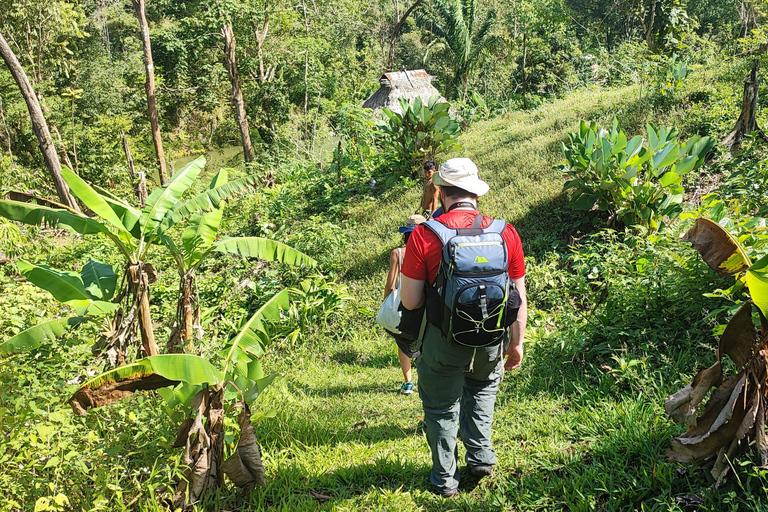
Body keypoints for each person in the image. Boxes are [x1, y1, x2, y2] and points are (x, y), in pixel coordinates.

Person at [399, 158, 527, 497]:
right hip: (491, 339)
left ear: (441, 192)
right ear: (476, 193)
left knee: (442, 406)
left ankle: (445, 480)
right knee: (483, 388)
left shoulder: (426, 235)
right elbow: (518, 296)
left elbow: (410, 302)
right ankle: (481, 455)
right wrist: (517, 343)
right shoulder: (505, 232)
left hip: (442, 340)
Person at [384, 214, 427, 395]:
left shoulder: (398, 253)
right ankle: (427, 380)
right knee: (426, 340)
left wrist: (386, 302)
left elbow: (390, 283)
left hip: (403, 302)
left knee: (403, 342)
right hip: (425, 301)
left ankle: (408, 382)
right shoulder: (428, 250)